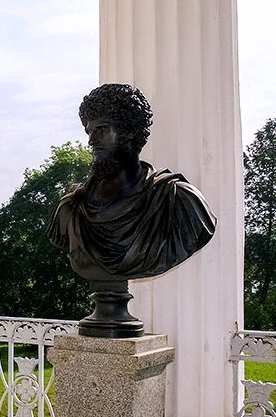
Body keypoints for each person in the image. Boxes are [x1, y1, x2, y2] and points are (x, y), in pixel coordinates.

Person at [47, 83, 216, 284]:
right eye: (89, 131)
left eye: (101, 129)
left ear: (129, 131)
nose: (91, 141)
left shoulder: (180, 201)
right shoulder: (70, 210)